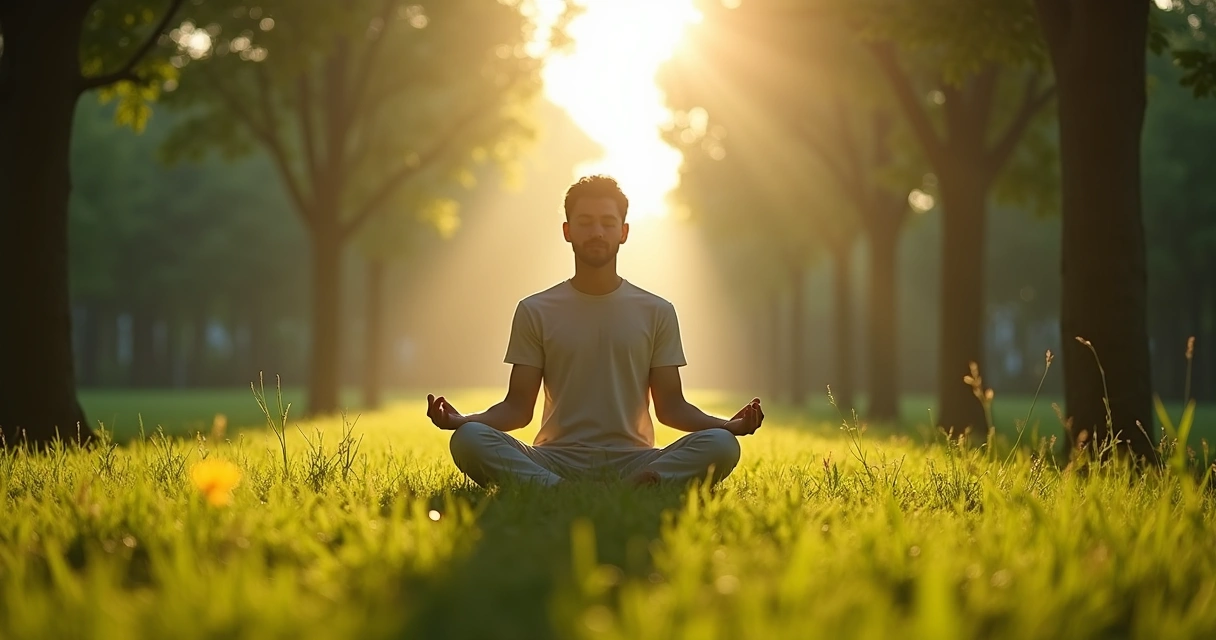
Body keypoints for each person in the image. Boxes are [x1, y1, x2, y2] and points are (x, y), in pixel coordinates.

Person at [426, 175, 764, 487]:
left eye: (607, 223)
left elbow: (672, 408)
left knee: (722, 446)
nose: (597, 232)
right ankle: (558, 488)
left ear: (624, 232)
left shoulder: (657, 311)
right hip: (553, 457)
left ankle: (629, 484)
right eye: (585, 223)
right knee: (468, 439)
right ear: (567, 230)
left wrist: (728, 427)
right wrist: (462, 419)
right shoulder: (535, 309)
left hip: (635, 459)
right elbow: (517, 409)